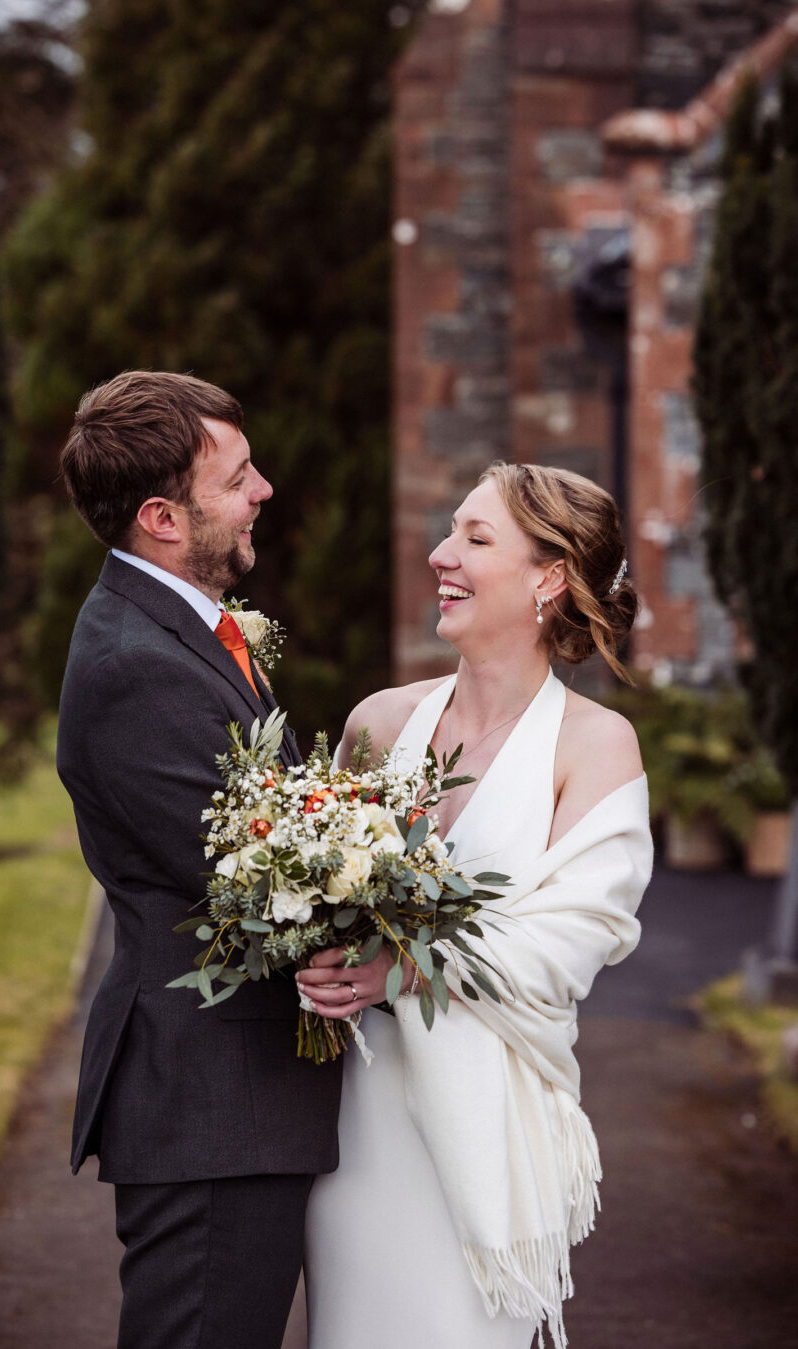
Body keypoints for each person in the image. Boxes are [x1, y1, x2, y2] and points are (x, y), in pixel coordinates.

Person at [298, 462, 653, 1349]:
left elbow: (565, 949)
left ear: (548, 577)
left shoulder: (597, 747)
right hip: (356, 1120)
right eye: (450, 531)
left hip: (484, 1134)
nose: (439, 555)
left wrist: (402, 967)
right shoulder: (379, 724)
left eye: (475, 538)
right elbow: (315, 895)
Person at [56, 371, 342, 1349]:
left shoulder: (176, 631)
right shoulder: (138, 666)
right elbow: (266, 883)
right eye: (238, 475)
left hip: (231, 1098)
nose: (263, 487)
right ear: (161, 517)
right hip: (211, 1102)